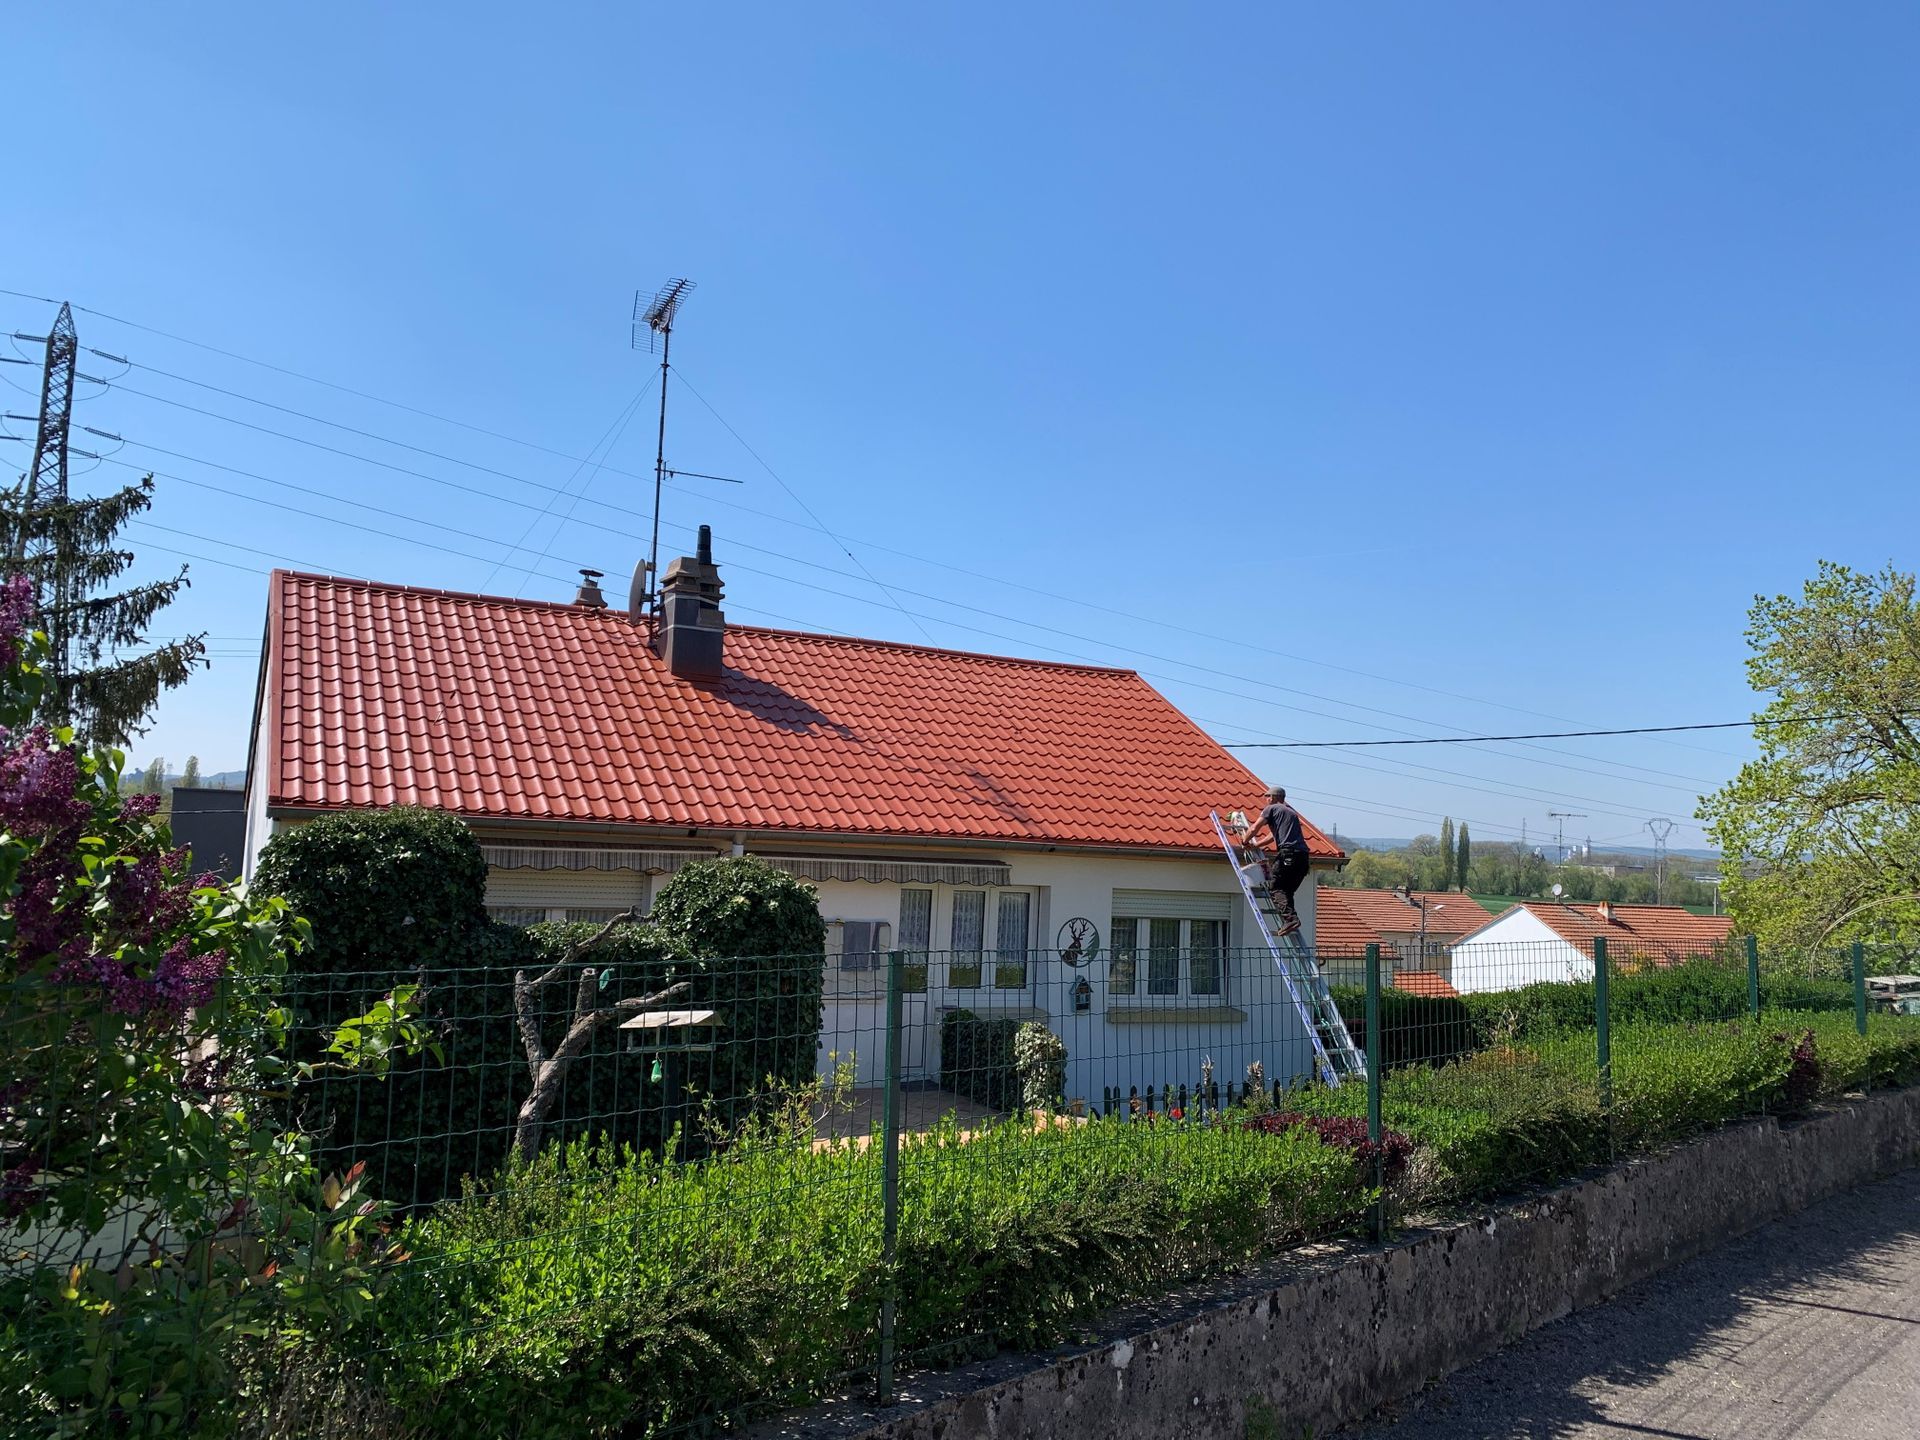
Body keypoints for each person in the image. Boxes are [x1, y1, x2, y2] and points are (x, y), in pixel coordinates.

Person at [1243, 785, 1310, 937]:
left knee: (1276, 887)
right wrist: (1256, 845)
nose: (1265, 800)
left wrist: (1245, 841)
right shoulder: (1291, 813)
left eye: (1266, 797)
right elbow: (1273, 836)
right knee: (1287, 891)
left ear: (1272, 797)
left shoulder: (1271, 809)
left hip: (1289, 855)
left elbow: (1254, 828)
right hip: (1303, 857)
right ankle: (1290, 921)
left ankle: (1290, 920)